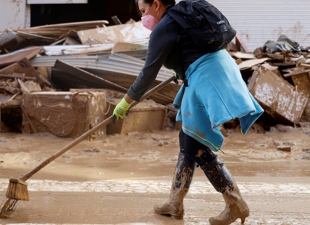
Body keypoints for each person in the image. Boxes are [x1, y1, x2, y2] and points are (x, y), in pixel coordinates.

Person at [112, 0, 264, 224]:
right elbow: (190, 50)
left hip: (207, 77)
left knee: (196, 145)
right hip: (220, 67)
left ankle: (235, 203)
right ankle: (175, 201)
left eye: (143, 11)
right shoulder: (182, 17)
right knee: (188, 137)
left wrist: (125, 102)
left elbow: (147, 74)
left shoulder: (165, 26)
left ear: (156, 5)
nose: (143, 18)